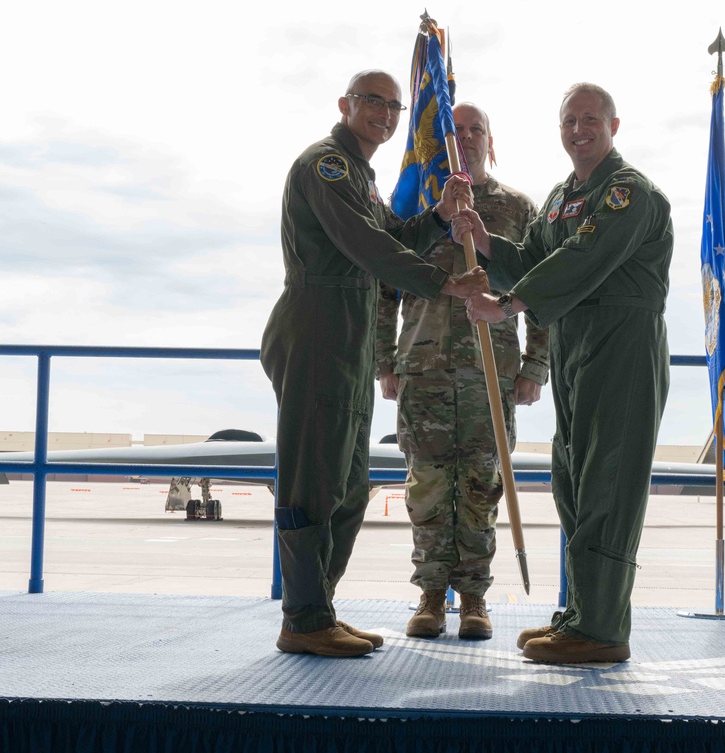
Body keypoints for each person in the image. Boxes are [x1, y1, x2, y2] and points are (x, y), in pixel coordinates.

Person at [260, 70, 487, 658]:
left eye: (393, 105)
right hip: (318, 328)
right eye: (372, 102)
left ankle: (319, 610)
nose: (385, 114)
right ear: (345, 105)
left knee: (347, 485)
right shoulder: (326, 166)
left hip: (351, 336)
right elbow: (367, 246)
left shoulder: (362, 176)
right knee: (313, 478)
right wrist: (447, 283)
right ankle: (303, 616)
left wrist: (437, 217)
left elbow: (393, 236)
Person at [454, 83, 672, 664]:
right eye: (569, 121)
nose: (579, 129)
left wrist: (508, 305)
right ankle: (581, 615)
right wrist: (486, 243)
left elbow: (585, 258)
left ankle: (602, 630)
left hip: (622, 347)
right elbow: (534, 259)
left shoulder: (629, 194)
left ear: (614, 126)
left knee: (609, 484)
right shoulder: (559, 199)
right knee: (573, 481)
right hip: (577, 347)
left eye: (590, 119)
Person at [375, 103, 549, 641]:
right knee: (427, 489)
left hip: (490, 375)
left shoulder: (518, 209)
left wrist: (535, 366)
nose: (467, 138)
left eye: (477, 130)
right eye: (457, 130)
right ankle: (431, 595)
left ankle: (473, 598)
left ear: (491, 143)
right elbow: (384, 285)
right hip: (422, 371)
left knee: (480, 488)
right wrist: (384, 360)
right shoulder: (417, 208)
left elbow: (541, 286)